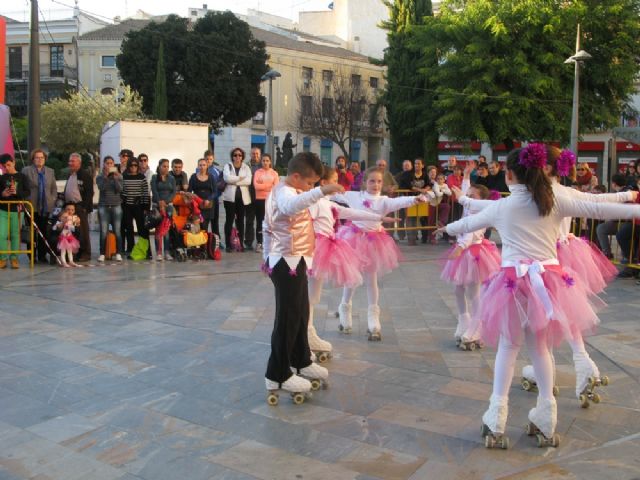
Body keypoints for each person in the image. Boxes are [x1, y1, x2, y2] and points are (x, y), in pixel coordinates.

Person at [440, 143, 640, 448]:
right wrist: (633, 204)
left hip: (512, 284)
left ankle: (497, 416)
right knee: (541, 349)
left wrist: (445, 229)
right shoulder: (554, 199)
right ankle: (546, 416)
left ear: (508, 175)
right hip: (549, 283)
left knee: (508, 347)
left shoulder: (504, 206)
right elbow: (598, 207)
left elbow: (468, 223)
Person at [262, 152, 342, 404]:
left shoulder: (294, 191)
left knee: (300, 313)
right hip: (285, 262)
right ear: (296, 177)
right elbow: (288, 209)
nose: (312, 188)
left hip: (295, 261)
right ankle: (278, 373)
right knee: (287, 318)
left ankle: (301, 360)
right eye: (310, 183)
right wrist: (321, 192)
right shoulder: (285, 193)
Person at [334, 167, 428, 341]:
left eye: (379, 181)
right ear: (364, 182)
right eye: (372, 181)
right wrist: (319, 191)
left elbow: (400, 202)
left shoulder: (384, 200)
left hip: (374, 242)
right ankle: (345, 307)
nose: (376, 184)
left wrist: (415, 199)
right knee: (352, 277)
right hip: (354, 238)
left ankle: (373, 316)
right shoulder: (355, 196)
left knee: (372, 279)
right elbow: (335, 195)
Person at [307, 166, 390, 360]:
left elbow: (352, 213)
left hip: (324, 246)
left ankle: (309, 332)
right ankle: (307, 333)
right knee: (309, 294)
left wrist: (379, 217)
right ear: (324, 183)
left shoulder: (330, 204)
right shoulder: (316, 202)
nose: (339, 184)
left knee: (314, 295)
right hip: (314, 249)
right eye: (335, 180)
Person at [441, 166, 501, 350]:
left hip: (475, 253)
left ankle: (477, 327)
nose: (469, 199)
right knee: (458, 289)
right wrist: (466, 176)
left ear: (482, 201)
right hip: (463, 250)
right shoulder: (468, 206)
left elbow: (471, 232)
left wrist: (460, 246)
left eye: (473, 197)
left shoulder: (481, 213)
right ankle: (463, 320)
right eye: (469, 196)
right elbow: (464, 199)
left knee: (474, 292)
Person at [21, 149, 58, 264]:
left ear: (45, 159)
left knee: (44, 232)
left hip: (46, 207)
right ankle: (31, 255)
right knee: (31, 233)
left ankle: (42, 256)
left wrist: (52, 199)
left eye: (42, 157)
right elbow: (22, 188)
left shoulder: (50, 171)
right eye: (37, 157)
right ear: (33, 159)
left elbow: (53, 188)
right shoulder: (26, 171)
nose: (39, 159)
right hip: (31, 207)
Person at [0, 154, 29, 269]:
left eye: (8, 165)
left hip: (17, 210)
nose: (6, 168)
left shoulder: (22, 177)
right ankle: (2, 258)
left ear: (13, 162)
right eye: (4, 166)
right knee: (1, 234)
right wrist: (2, 194)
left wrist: (16, 192)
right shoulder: (1, 178)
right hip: (2, 210)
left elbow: (27, 192)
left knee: (15, 234)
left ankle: (14, 259)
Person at [63, 153, 93, 262]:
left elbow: (90, 192)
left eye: (73, 161)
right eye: (69, 161)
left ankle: (86, 253)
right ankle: (75, 253)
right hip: (70, 207)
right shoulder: (70, 174)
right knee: (73, 231)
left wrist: (84, 207)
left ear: (79, 163)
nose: (70, 163)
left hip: (80, 207)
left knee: (83, 230)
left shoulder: (84, 175)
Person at [222, 148, 252, 253]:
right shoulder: (228, 166)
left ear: (242, 156)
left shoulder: (246, 167)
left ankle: (240, 244)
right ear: (232, 156)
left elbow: (248, 181)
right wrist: (240, 178)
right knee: (229, 221)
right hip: (229, 199)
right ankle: (228, 244)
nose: (237, 157)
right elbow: (226, 178)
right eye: (235, 155)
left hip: (242, 200)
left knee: (240, 222)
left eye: (239, 155)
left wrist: (234, 180)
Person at [96, 156, 123, 263]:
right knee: (103, 231)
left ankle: (118, 253)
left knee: (117, 231)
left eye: (111, 163)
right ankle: (102, 253)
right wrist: (106, 177)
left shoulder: (118, 176)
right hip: (104, 206)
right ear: (104, 164)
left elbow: (120, 189)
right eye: (107, 163)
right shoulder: (100, 176)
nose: (109, 165)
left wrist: (116, 179)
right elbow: (101, 188)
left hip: (116, 205)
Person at [121, 158, 150, 255]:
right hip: (127, 206)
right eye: (131, 165)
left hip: (139, 206)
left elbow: (146, 193)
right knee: (129, 229)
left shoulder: (142, 177)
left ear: (138, 166)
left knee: (142, 228)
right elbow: (122, 192)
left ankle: (144, 249)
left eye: (135, 165)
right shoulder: (124, 177)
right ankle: (130, 249)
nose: (133, 167)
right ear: (128, 166)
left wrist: (146, 208)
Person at [398, 158, 430, 245]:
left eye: (419, 164)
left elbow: (428, 184)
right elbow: (408, 186)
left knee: (417, 218)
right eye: (415, 163)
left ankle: (418, 237)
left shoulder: (425, 175)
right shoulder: (408, 174)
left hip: (421, 199)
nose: (416, 165)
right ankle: (411, 240)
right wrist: (421, 189)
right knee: (410, 218)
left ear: (422, 165)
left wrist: (425, 189)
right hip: (409, 199)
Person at [252, 153, 279, 254]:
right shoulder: (258, 172)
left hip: (271, 200)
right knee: (260, 221)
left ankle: (271, 242)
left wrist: (263, 184)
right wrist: (269, 185)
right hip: (259, 200)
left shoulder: (274, 173)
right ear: (261, 161)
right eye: (263, 161)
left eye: (267, 161)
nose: (265, 162)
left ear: (270, 162)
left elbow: (276, 188)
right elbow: (256, 186)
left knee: (271, 221)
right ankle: (259, 242)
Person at [152, 159, 177, 261]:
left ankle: (166, 251)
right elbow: (154, 191)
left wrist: (166, 202)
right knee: (158, 228)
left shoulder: (171, 178)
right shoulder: (154, 177)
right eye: (164, 166)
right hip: (157, 206)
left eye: (167, 166)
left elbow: (173, 192)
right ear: (159, 167)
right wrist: (160, 202)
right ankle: (158, 252)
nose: (166, 168)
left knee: (166, 229)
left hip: (168, 206)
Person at [188, 158, 217, 241]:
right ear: (198, 166)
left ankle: (204, 247)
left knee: (205, 226)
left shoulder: (211, 177)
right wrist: (192, 197)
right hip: (197, 206)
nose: (202, 167)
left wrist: (208, 199)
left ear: (207, 166)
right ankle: (198, 246)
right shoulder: (193, 177)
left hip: (207, 205)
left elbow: (215, 192)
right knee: (197, 226)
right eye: (200, 165)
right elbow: (189, 191)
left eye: (204, 165)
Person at [244, 147, 262, 250]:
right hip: (249, 197)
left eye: (257, 154)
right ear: (250, 155)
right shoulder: (246, 166)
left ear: (260, 154)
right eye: (253, 154)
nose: (255, 155)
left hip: (261, 197)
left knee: (260, 220)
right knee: (249, 220)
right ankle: (248, 242)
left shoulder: (263, 165)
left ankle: (260, 241)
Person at [53, 203, 81, 267]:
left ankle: (71, 261)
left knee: (70, 251)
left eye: (72, 210)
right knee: (63, 251)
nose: (70, 211)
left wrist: (77, 224)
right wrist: (58, 225)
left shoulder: (71, 221)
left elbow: (73, 229)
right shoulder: (59, 222)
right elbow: (54, 228)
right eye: (64, 217)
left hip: (70, 238)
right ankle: (63, 262)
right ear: (60, 218)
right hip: (63, 239)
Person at [205, 151, 223, 238]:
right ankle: (203, 239)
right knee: (204, 221)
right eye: (207, 159)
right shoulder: (199, 169)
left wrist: (217, 196)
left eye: (210, 159)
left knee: (215, 220)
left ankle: (216, 239)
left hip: (214, 199)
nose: (208, 161)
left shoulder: (216, 171)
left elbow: (220, 185)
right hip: (203, 199)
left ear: (213, 159)